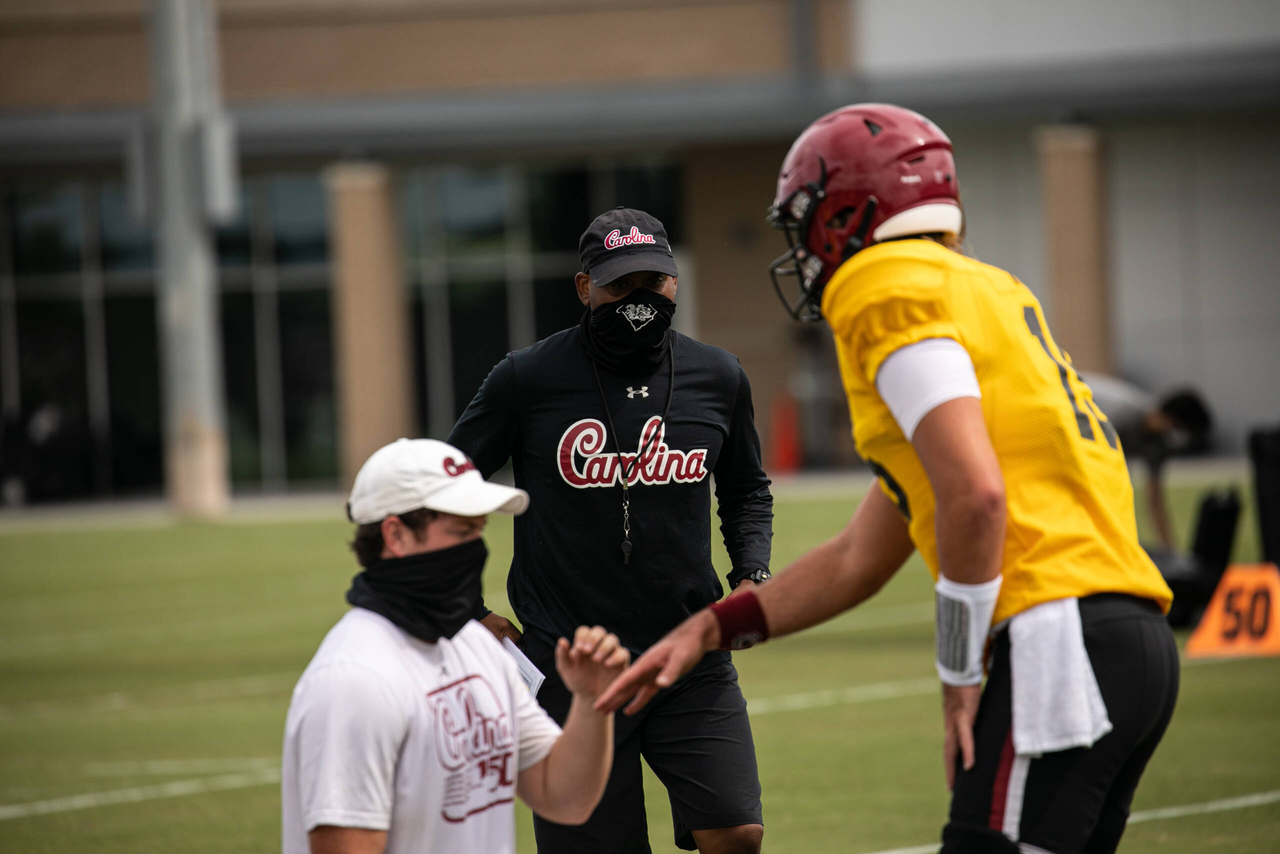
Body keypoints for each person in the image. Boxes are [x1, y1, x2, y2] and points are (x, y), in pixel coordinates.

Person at [598, 104, 1180, 854]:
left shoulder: (880, 282)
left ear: (846, 209)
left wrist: (958, 668)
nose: (801, 247)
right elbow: (859, 556)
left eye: (805, 220)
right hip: (1130, 640)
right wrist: (715, 625)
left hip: (1052, 637)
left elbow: (976, 494)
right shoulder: (986, 288)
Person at [448, 207, 772, 854]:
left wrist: (749, 575)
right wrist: (467, 610)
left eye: (654, 284)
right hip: (572, 664)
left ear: (676, 283)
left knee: (736, 832)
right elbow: (445, 486)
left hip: (690, 651)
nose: (639, 301)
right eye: (621, 287)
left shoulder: (719, 376)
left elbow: (745, 490)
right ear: (583, 288)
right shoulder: (527, 379)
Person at [281, 438, 629, 854]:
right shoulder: (353, 680)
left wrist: (591, 701)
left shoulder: (477, 648)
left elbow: (564, 797)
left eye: (479, 530)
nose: (476, 550)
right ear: (396, 535)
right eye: (461, 531)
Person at [1082, 373, 1213, 552]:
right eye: (1176, 428)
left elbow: (1155, 501)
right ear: (1166, 416)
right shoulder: (1118, 417)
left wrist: (1170, 552)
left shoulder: (1159, 443)